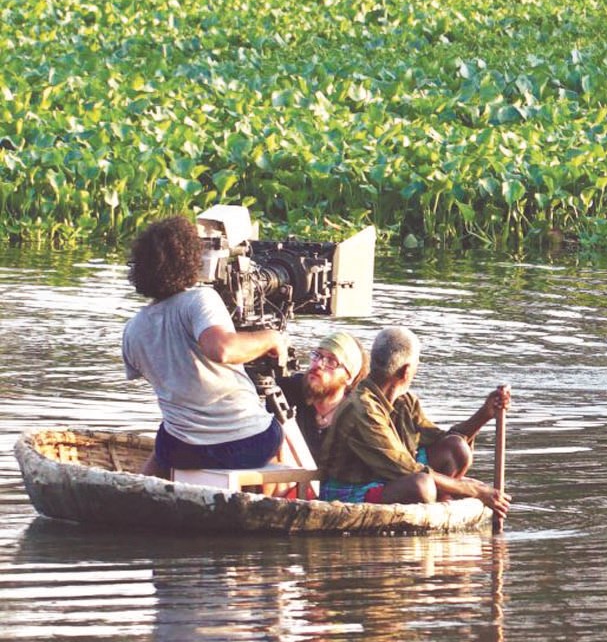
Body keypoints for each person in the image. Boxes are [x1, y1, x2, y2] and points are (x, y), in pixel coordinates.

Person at [121, 215, 290, 478]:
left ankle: (140, 490)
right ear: (191, 260)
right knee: (279, 432)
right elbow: (222, 349)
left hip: (181, 451)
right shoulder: (200, 300)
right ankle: (279, 501)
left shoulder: (133, 329)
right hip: (246, 445)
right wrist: (271, 338)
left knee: (168, 431)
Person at [319, 325, 511, 515]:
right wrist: (472, 490)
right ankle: (441, 499)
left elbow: (442, 440)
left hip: (388, 478)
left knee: (456, 449)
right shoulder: (361, 408)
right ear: (405, 371)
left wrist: (485, 414)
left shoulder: (405, 401)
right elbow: (407, 469)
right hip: (349, 492)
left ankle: (443, 503)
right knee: (421, 485)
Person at [276, 331, 368, 465]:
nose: (318, 364)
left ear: (349, 377)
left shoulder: (357, 415)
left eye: (331, 361)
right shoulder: (288, 390)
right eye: (317, 355)